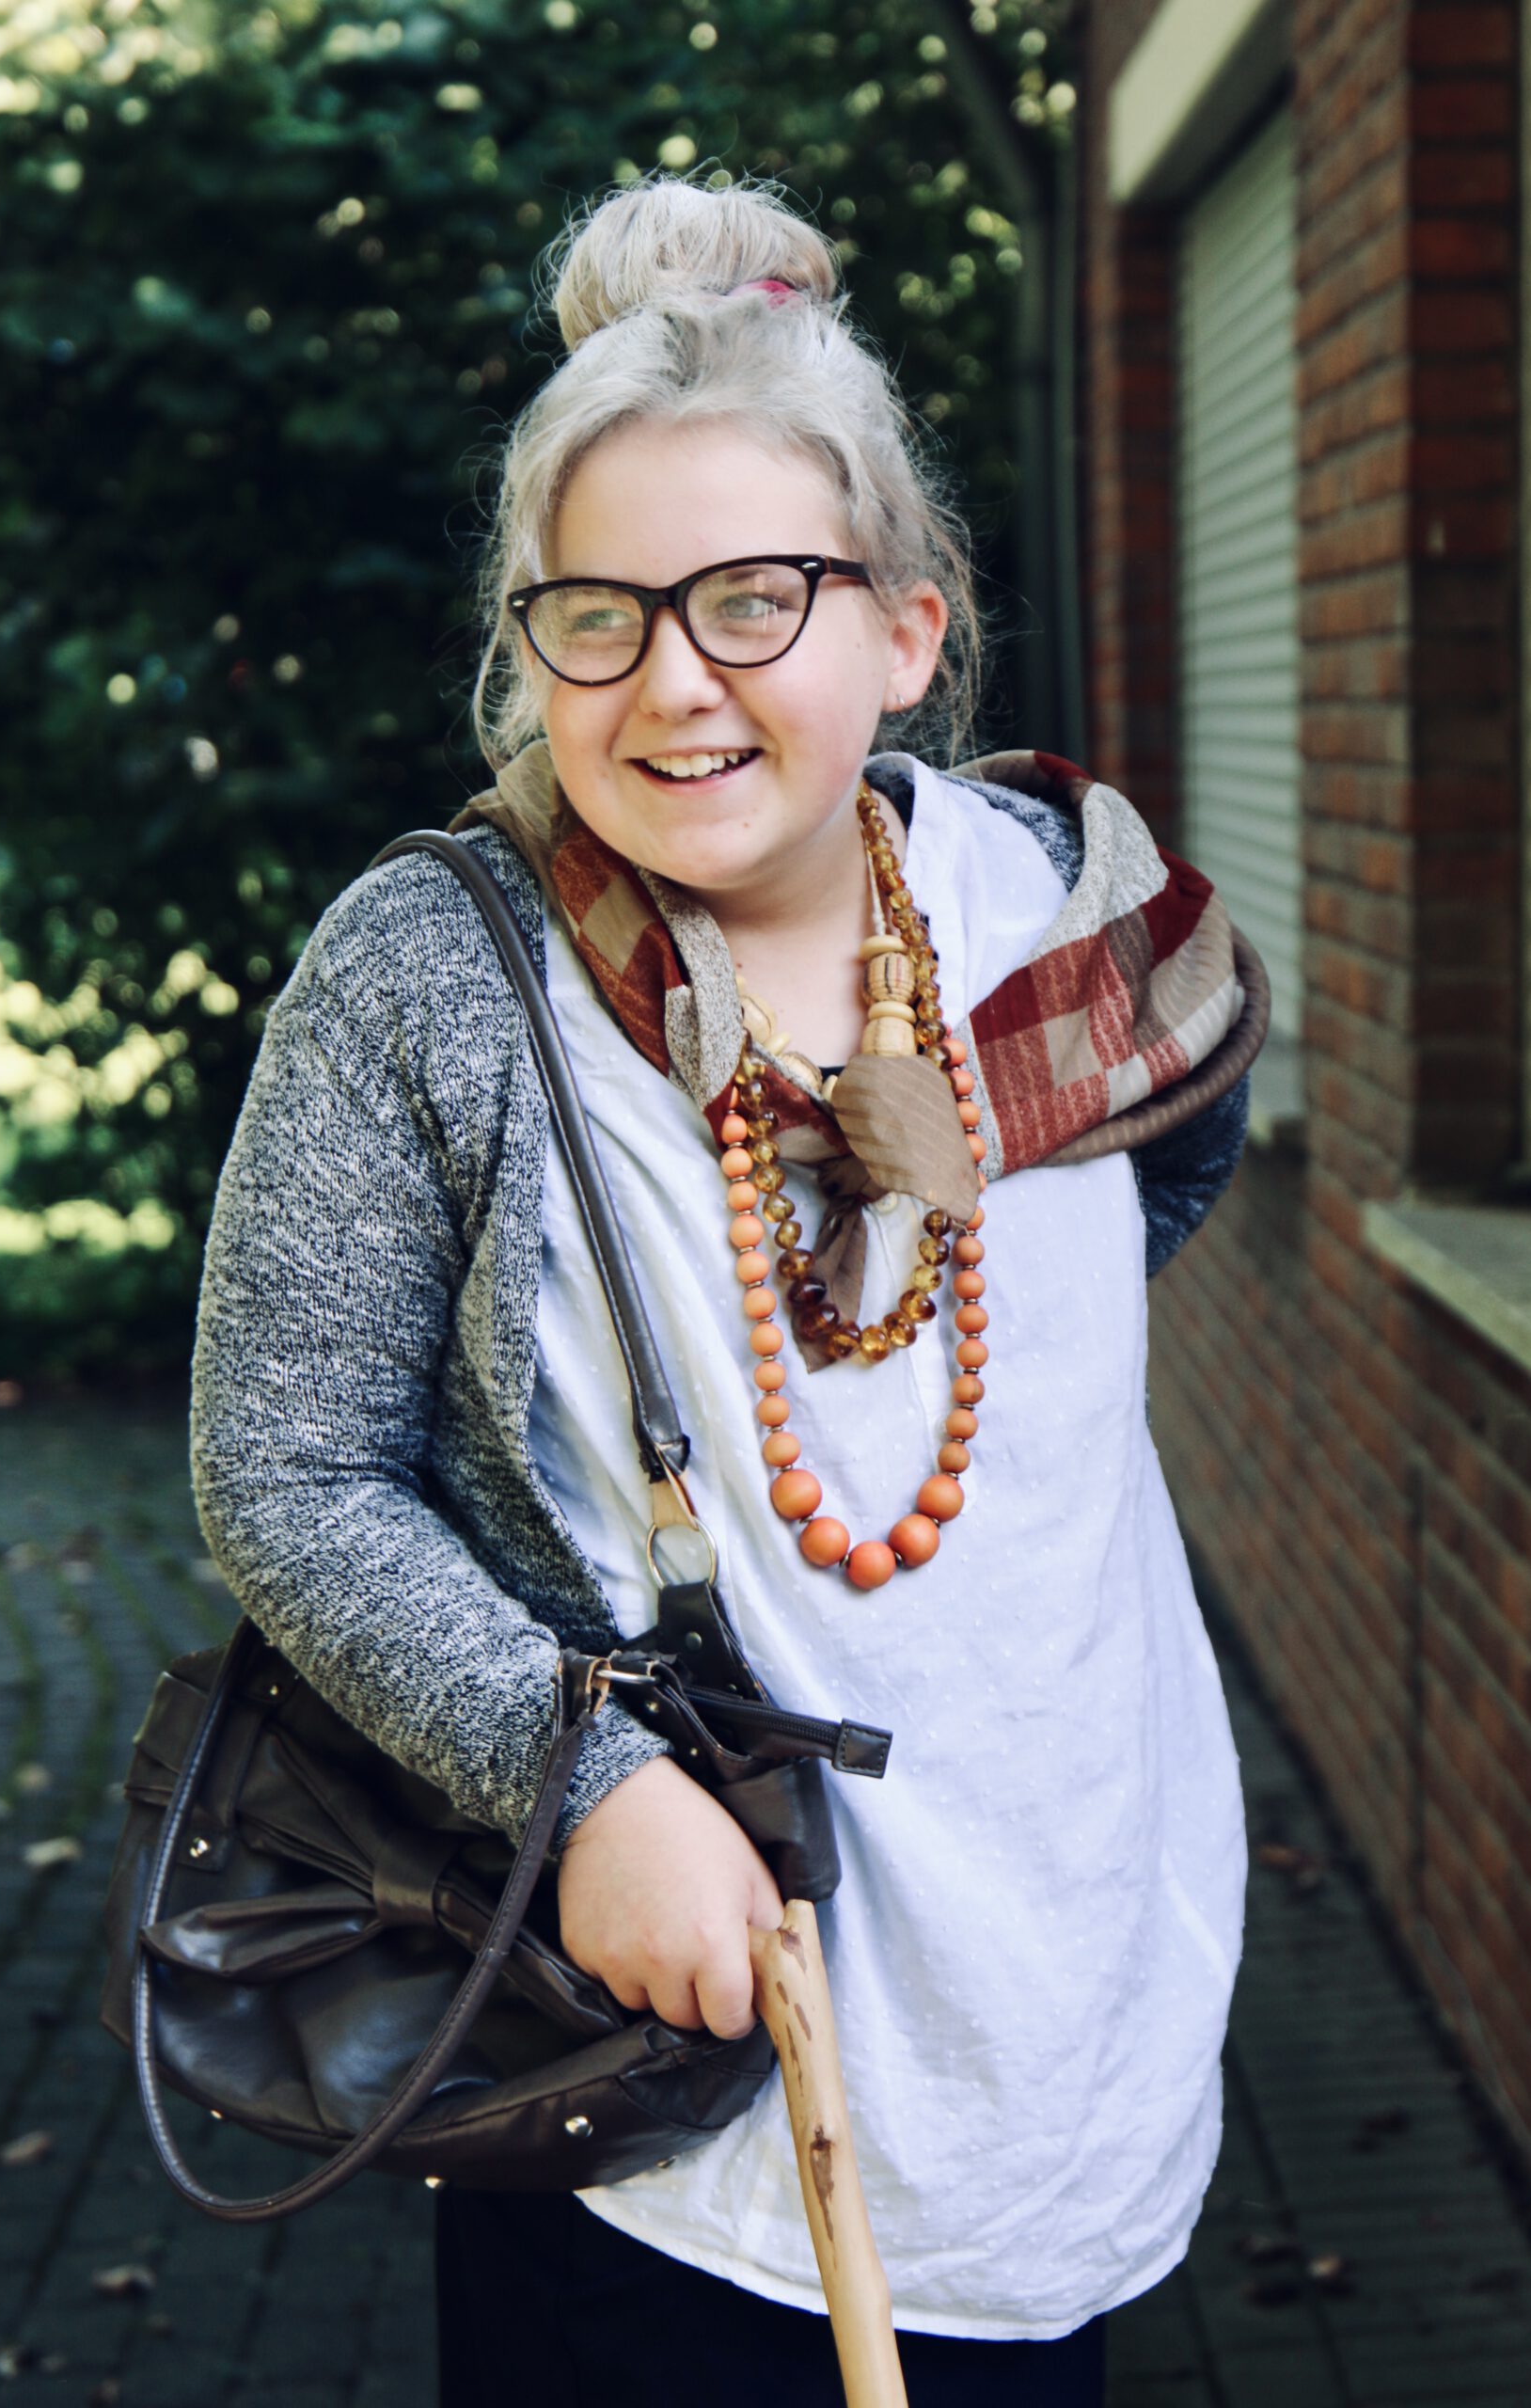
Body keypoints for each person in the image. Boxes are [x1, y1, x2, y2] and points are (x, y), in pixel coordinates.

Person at [190, 173, 1264, 2408]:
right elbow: (285, 1469)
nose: (674, 680)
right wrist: (585, 1780)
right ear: (529, 647)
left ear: (908, 631)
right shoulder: (435, 974)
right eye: (597, 614)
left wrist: (920, 1372)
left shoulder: (1074, 922)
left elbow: (1164, 1167)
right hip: (664, 2084)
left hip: (1068, 2014)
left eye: (755, 598)